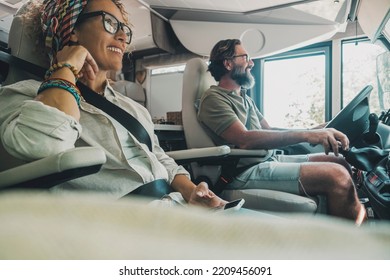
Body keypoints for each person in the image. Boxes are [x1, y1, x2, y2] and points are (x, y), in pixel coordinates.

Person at [0, 0, 226, 209]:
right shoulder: (24, 94)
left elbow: (158, 156)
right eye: (109, 22)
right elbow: (43, 145)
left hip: (175, 206)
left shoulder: (133, 108)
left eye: (124, 29)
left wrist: (192, 191)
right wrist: (67, 67)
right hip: (121, 222)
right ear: (72, 30)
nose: (122, 36)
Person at [197, 39, 367, 225]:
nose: (251, 63)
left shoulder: (244, 97)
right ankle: (349, 248)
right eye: (246, 57)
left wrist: (313, 130)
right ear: (228, 63)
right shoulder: (213, 99)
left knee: (339, 161)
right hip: (241, 171)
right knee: (337, 176)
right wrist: (307, 136)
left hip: (268, 159)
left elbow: (268, 130)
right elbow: (244, 139)